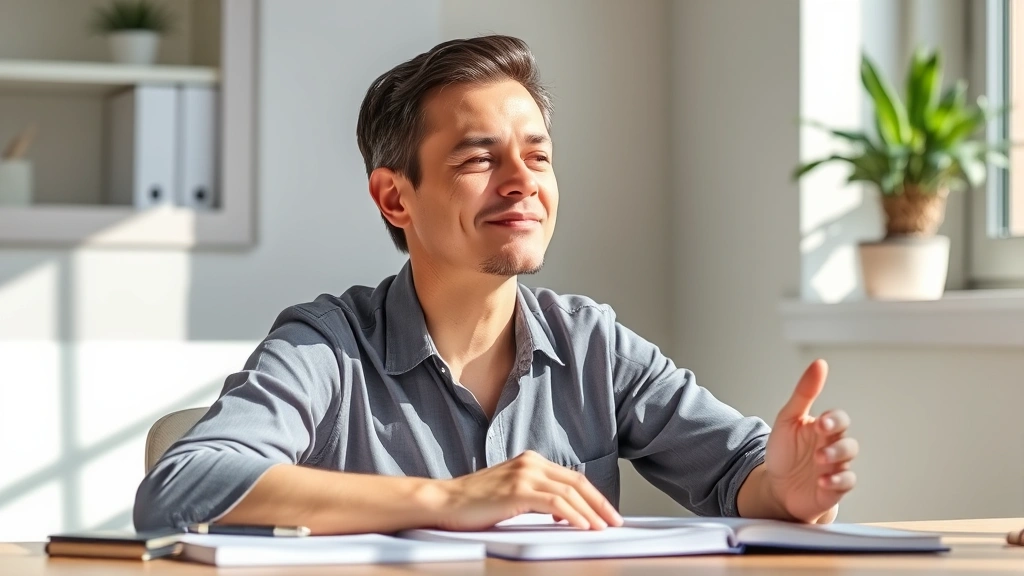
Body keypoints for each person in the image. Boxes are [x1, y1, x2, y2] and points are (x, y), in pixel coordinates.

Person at [134, 35, 858, 534]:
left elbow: (744, 478)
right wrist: (447, 500)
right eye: (481, 159)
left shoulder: (593, 345)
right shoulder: (325, 346)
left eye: (537, 158)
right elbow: (183, 485)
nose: (523, 185)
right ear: (395, 198)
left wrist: (789, 493)